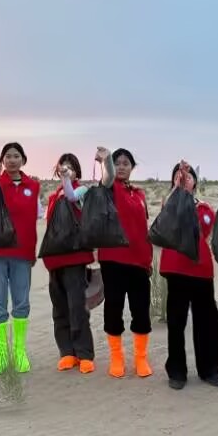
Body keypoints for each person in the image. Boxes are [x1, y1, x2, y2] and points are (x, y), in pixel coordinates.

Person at [45, 147, 115, 374]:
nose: (67, 170)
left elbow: (72, 197)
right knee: (60, 308)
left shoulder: (81, 190)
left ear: (77, 171)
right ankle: (67, 352)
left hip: (75, 258)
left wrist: (68, 179)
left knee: (77, 308)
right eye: (63, 167)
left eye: (71, 167)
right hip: (55, 260)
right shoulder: (53, 196)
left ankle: (84, 353)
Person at [159, 162, 218, 391]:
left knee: (207, 321)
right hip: (176, 269)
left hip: (201, 270)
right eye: (179, 176)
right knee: (176, 322)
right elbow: (168, 220)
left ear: (195, 181)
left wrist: (188, 198)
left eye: (188, 176)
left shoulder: (204, 208)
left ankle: (209, 370)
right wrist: (178, 190)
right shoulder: (169, 202)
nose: (184, 178)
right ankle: (177, 371)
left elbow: (203, 231)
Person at [0, 142, 40, 374]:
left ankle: (19, 351)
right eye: (8, 156)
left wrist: (32, 252)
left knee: (21, 303)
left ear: (23, 160)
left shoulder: (33, 186)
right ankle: (0, 354)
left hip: (22, 253)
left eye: (16, 156)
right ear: (2, 160)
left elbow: (34, 220)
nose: (12, 160)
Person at [98, 148, 153, 379]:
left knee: (141, 310)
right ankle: (116, 357)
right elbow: (108, 176)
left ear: (132, 167)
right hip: (113, 259)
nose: (121, 167)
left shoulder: (139, 194)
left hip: (139, 261)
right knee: (114, 309)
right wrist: (106, 161)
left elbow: (142, 228)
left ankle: (140, 357)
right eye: (117, 163)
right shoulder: (109, 188)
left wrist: (148, 259)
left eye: (125, 163)